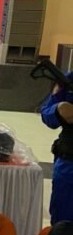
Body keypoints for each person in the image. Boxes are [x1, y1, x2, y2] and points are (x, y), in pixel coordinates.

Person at [40, 71, 73, 224]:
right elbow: (47, 113)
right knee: (63, 224)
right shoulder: (68, 80)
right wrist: (58, 109)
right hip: (69, 163)